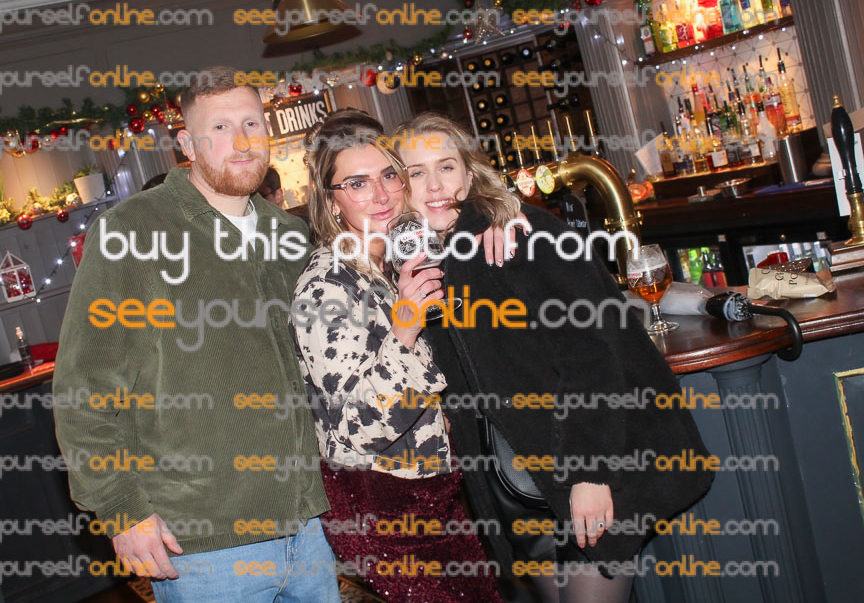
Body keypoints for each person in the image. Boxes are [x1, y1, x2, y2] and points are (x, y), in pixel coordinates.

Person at [393, 112, 715, 602]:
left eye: (447, 167)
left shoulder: (523, 234)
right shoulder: (419, 262)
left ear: (469, 173)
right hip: (514, 491)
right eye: (417, 172)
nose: (434, 185)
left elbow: (592, 353)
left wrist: (590, 472)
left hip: (586, 468)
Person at [53, 66, 341, 603]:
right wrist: (121, 509)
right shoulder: (132, 232)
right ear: (186, 144)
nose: (242, 142)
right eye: (220, 128)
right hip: (204, 547)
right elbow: (84, 390)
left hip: (307, 528)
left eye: (251, 124)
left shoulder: (290, 234)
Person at [289, 109, 505, 602]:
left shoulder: (394, 260)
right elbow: (356, 428)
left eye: (389, 175)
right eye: (357, 183)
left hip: (436, 497)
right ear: (331, 200)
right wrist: (405, 327)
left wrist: (501, 218)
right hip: (385, 513)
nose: (382, 194)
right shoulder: (325, 288)